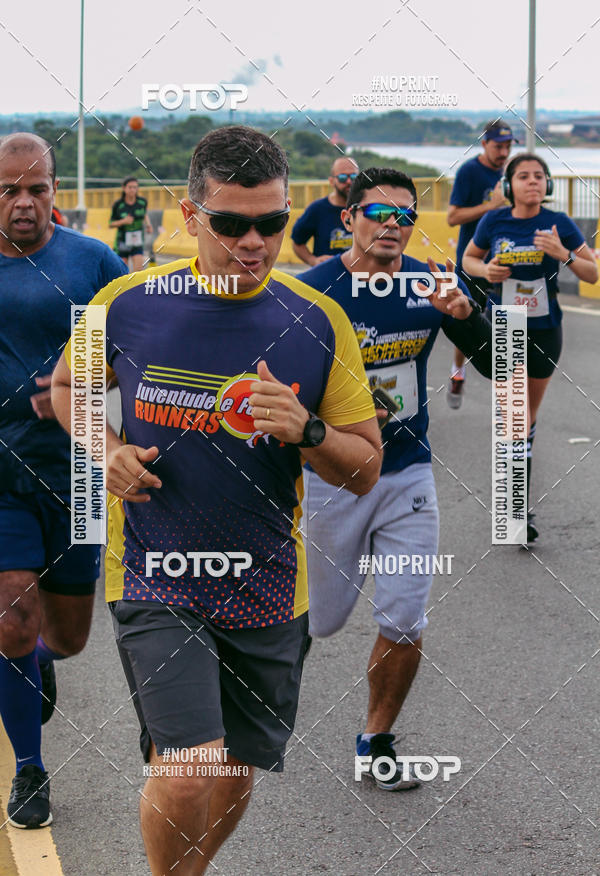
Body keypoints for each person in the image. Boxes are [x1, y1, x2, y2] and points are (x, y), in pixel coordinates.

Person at [51, 126, 382, 873]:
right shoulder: (127, 303)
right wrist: (105, 452)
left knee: (232, 772)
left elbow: (363, 468)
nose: (254, 243)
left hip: (267, 585)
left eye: (273, 223)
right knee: (190, 764)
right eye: (231, 223)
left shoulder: (315, 320)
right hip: (152, 572)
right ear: (190, 215)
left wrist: (308, 430)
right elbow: (70, 388)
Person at [301, 167, 492, 790]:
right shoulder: (314, 294)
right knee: (319, 621)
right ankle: (255, 695)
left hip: (408, 476)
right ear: (348, 219)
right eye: (379, 214)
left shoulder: (430, 285)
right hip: (332, 481)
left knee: (405, 618)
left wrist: (464, 317)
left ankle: (375, 741)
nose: (392, 226)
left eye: (405, 216)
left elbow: (509, 365)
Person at [0, 133, 127, 828]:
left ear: (55, 188)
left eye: (36, 188)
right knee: (13, 620)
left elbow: (137, 345)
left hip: (76, 473)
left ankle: (37, 660)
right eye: (8, 190)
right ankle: (29, 768)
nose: (24, 203)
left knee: (68, 637)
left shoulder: (92, 262)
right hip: (0, 474)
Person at [462, 152, 596, 544]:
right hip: (507, 325)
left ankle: (513, 500)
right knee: (514, 417)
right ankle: (514, 511)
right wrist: (486, 270)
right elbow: (470, 258)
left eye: (540, 176)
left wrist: (564, 254)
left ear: (548, 185)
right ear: (509, 186)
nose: (533, 182)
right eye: (524, 176)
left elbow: (592, 272)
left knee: (526, 419)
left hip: (545, 328)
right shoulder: (494, 220)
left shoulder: (558, 224)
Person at [446, 119, 516, 408]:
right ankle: (457, 372)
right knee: (467, 323)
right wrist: (492, 206)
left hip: (504, 263)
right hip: (472, 262)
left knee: (507, 328)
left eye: (509, 146)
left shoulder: (511, 172)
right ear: (484, 143)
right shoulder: (470, 171)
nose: (504, 152)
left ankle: (508, 393)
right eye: (498, 146)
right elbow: (452, 217)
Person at [291, 156, 359, 265]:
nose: (349, 181)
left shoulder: (364, 208)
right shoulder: (317, 209)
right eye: (342, 177)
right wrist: (312, 260)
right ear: (332, 181)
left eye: (354, 177)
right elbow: (297, 242)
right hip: (326, 277)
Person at [109, 176, 153, 271]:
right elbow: (111, 224)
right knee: (122, 272)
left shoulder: (142, 202)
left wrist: (149, 225)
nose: (133, 190)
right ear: (124, 188)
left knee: (138, 271)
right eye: (130, 187)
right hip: (122, 242)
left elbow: (144, 214)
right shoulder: (118, 205)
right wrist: (123, 221)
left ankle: (137, 286)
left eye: (135, 187)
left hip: (137, 241)